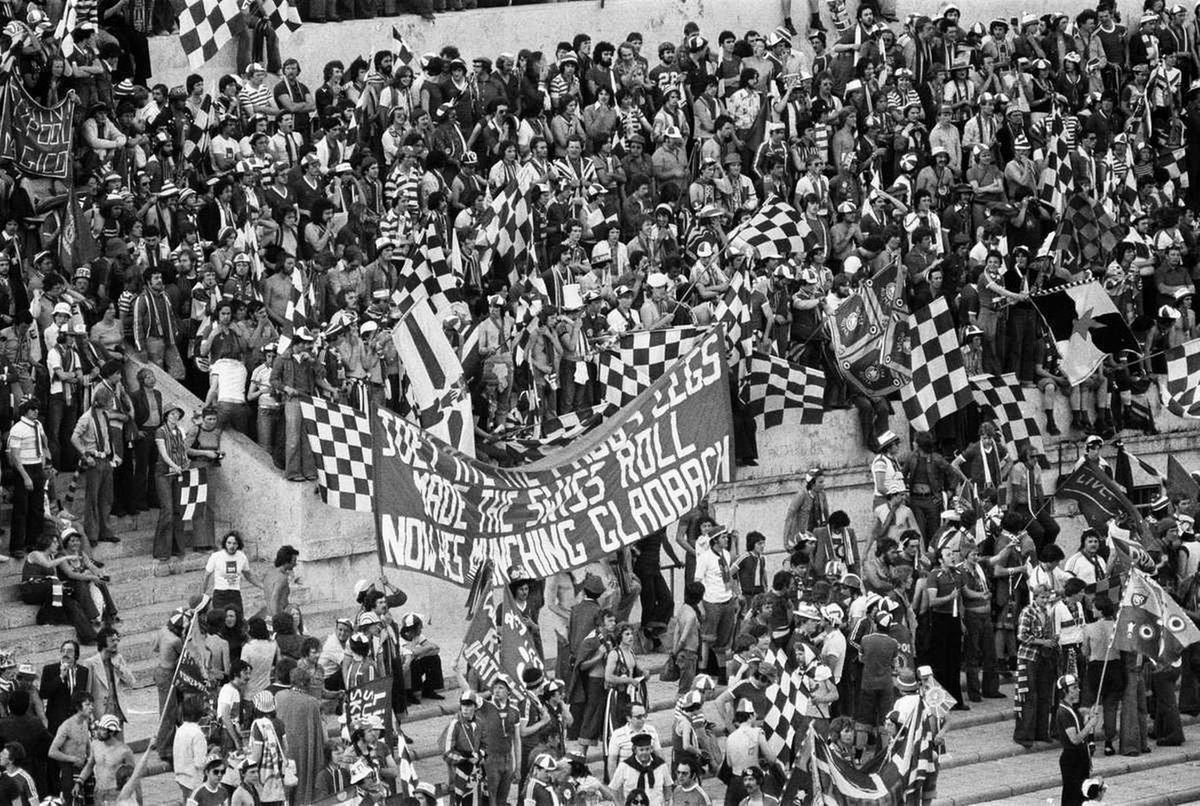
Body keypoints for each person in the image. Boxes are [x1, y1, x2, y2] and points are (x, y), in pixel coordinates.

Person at [1056, 674, 1101, 806]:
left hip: (1080, 756)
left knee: (1081, 795)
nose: (1078, 690)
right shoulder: (1063, 712)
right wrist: (1090, 724)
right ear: (1065, 691)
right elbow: (1074, 739)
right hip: (1072, 757)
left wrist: (1089, 718)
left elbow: (1079, 728)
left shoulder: (1071, 709)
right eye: (1074, 688)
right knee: (1073, 796)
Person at [82, 628, 134, 729]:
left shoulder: (118, 659)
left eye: (117, 640)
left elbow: (131, 682)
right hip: (100, 713)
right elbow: (87, 691)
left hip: (117, 712)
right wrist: (89, 715)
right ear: (103, 642)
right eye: (112, 640)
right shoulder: (90, 663)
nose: (116, 643)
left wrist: (119, 667)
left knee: (118, 744)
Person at [203, 531, 262, 614]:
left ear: (238, 545)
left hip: (235, 593)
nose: (231, 546)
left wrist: (262, 586)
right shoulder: (216, 556)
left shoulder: (242, 557)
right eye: (229, 543)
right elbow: (206, 576)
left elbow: (249, 576)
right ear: (225, 543)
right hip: (220, 593)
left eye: (234, 543)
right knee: (220, 620)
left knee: (238, 620)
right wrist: (202, 594)